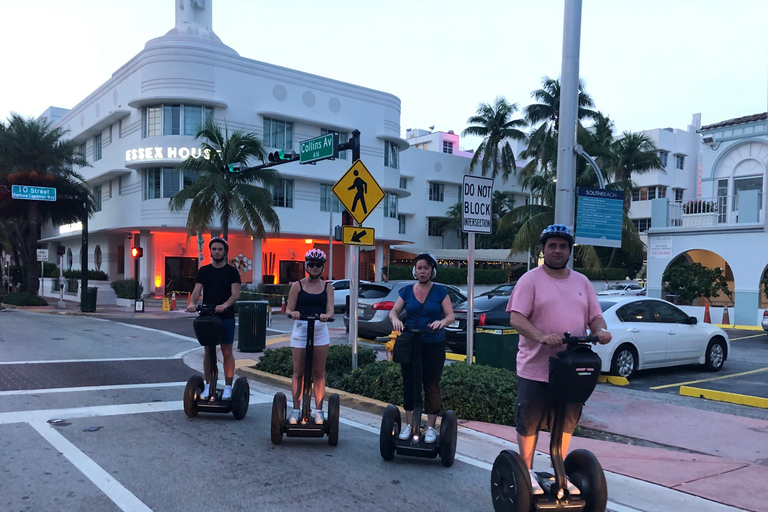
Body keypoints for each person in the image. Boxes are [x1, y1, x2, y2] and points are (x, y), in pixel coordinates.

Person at [506, 224, 611, 495]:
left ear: (569, 251)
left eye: (562, 246)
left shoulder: (582, 282)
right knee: (529, 421)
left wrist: (600, 330)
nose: (557, 250)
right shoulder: (530, 280)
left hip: (571, 367)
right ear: (542, 250)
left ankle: (557, 471)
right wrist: (541, 336)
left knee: (567, 420)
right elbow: (516, 318)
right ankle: (527, 471)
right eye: (551, 245)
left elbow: (594, 316)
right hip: (536, 367)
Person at [388, 252, 455, 444]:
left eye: (426, 268)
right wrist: (395, 320)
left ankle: (431, 427)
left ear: (432, 270)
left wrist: (442, 322)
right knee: (410, 383)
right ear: (414, 270)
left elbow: (450, 316)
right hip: (410, 342)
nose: (422, 271)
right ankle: (409, 424)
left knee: (431, 384)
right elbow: (394, 311)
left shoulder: (440, 291)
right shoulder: (407, 291)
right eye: (419, 268)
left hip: (433, 343)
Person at [186, 237, 241, 400]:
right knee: (208, 351)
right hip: (208, 316)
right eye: (214, 249)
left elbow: (236, 294)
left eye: (220, 249)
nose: (217, 252)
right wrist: (192, 303)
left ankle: (228, 386)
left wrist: (225, 305)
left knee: (226, 351)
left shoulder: (232, 271)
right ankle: (209, 384)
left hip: (226, 316)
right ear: (210, 251)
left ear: (225, 252)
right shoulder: (204, 270)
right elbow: (197, 290)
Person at [285, 248, 334, 425]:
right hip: (300, 329)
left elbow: (330, 309)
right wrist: (294, 313)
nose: (314, 267)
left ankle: (319, 410)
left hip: (320, 330)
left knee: (318, 373)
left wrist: (326, 316)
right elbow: (288, 309)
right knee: (298, 372)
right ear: (306, 265)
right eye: (311, 264)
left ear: (322, 267)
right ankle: (296, 409)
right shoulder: (297, 285)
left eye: (318, 265)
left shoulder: (328, 287)